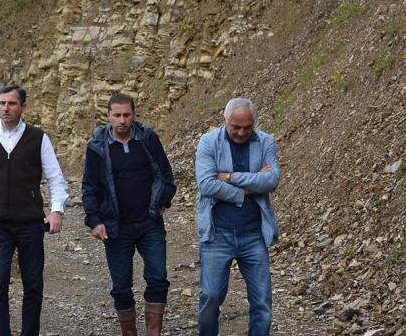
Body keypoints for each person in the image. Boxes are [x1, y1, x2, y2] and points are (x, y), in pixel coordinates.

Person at [0, 84, 69, 336]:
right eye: (2, 103)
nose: (6, 108)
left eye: (11, 103)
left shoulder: (38, 138)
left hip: (30, 223)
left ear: (23, 106)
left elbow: (56, 178)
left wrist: (56, 210)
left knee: (33, 285)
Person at [81, 93, 176, 336]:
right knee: (121, 287)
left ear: (134, 115)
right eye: (117, 115)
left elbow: (165, 175)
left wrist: (162, 200)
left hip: (149, 222)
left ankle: (153, 332)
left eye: (126, 115)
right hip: (116, 227)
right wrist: (94, 220)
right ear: (108, 116)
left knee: (158, 278)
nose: (122, 120)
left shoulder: (147, 139)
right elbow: (89, 187)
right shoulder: (97, 147)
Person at [194, 98, 281, 336]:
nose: (242, 133)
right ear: (225, 120)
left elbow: (272, 180)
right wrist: (248, 190)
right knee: (210, 297)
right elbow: (207, 184)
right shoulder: (208, 142)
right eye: (236, 127)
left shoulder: (265, 141)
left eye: (247, 127)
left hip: (254, 234)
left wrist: (230, 177)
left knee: (262, 302)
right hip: (217, 234)